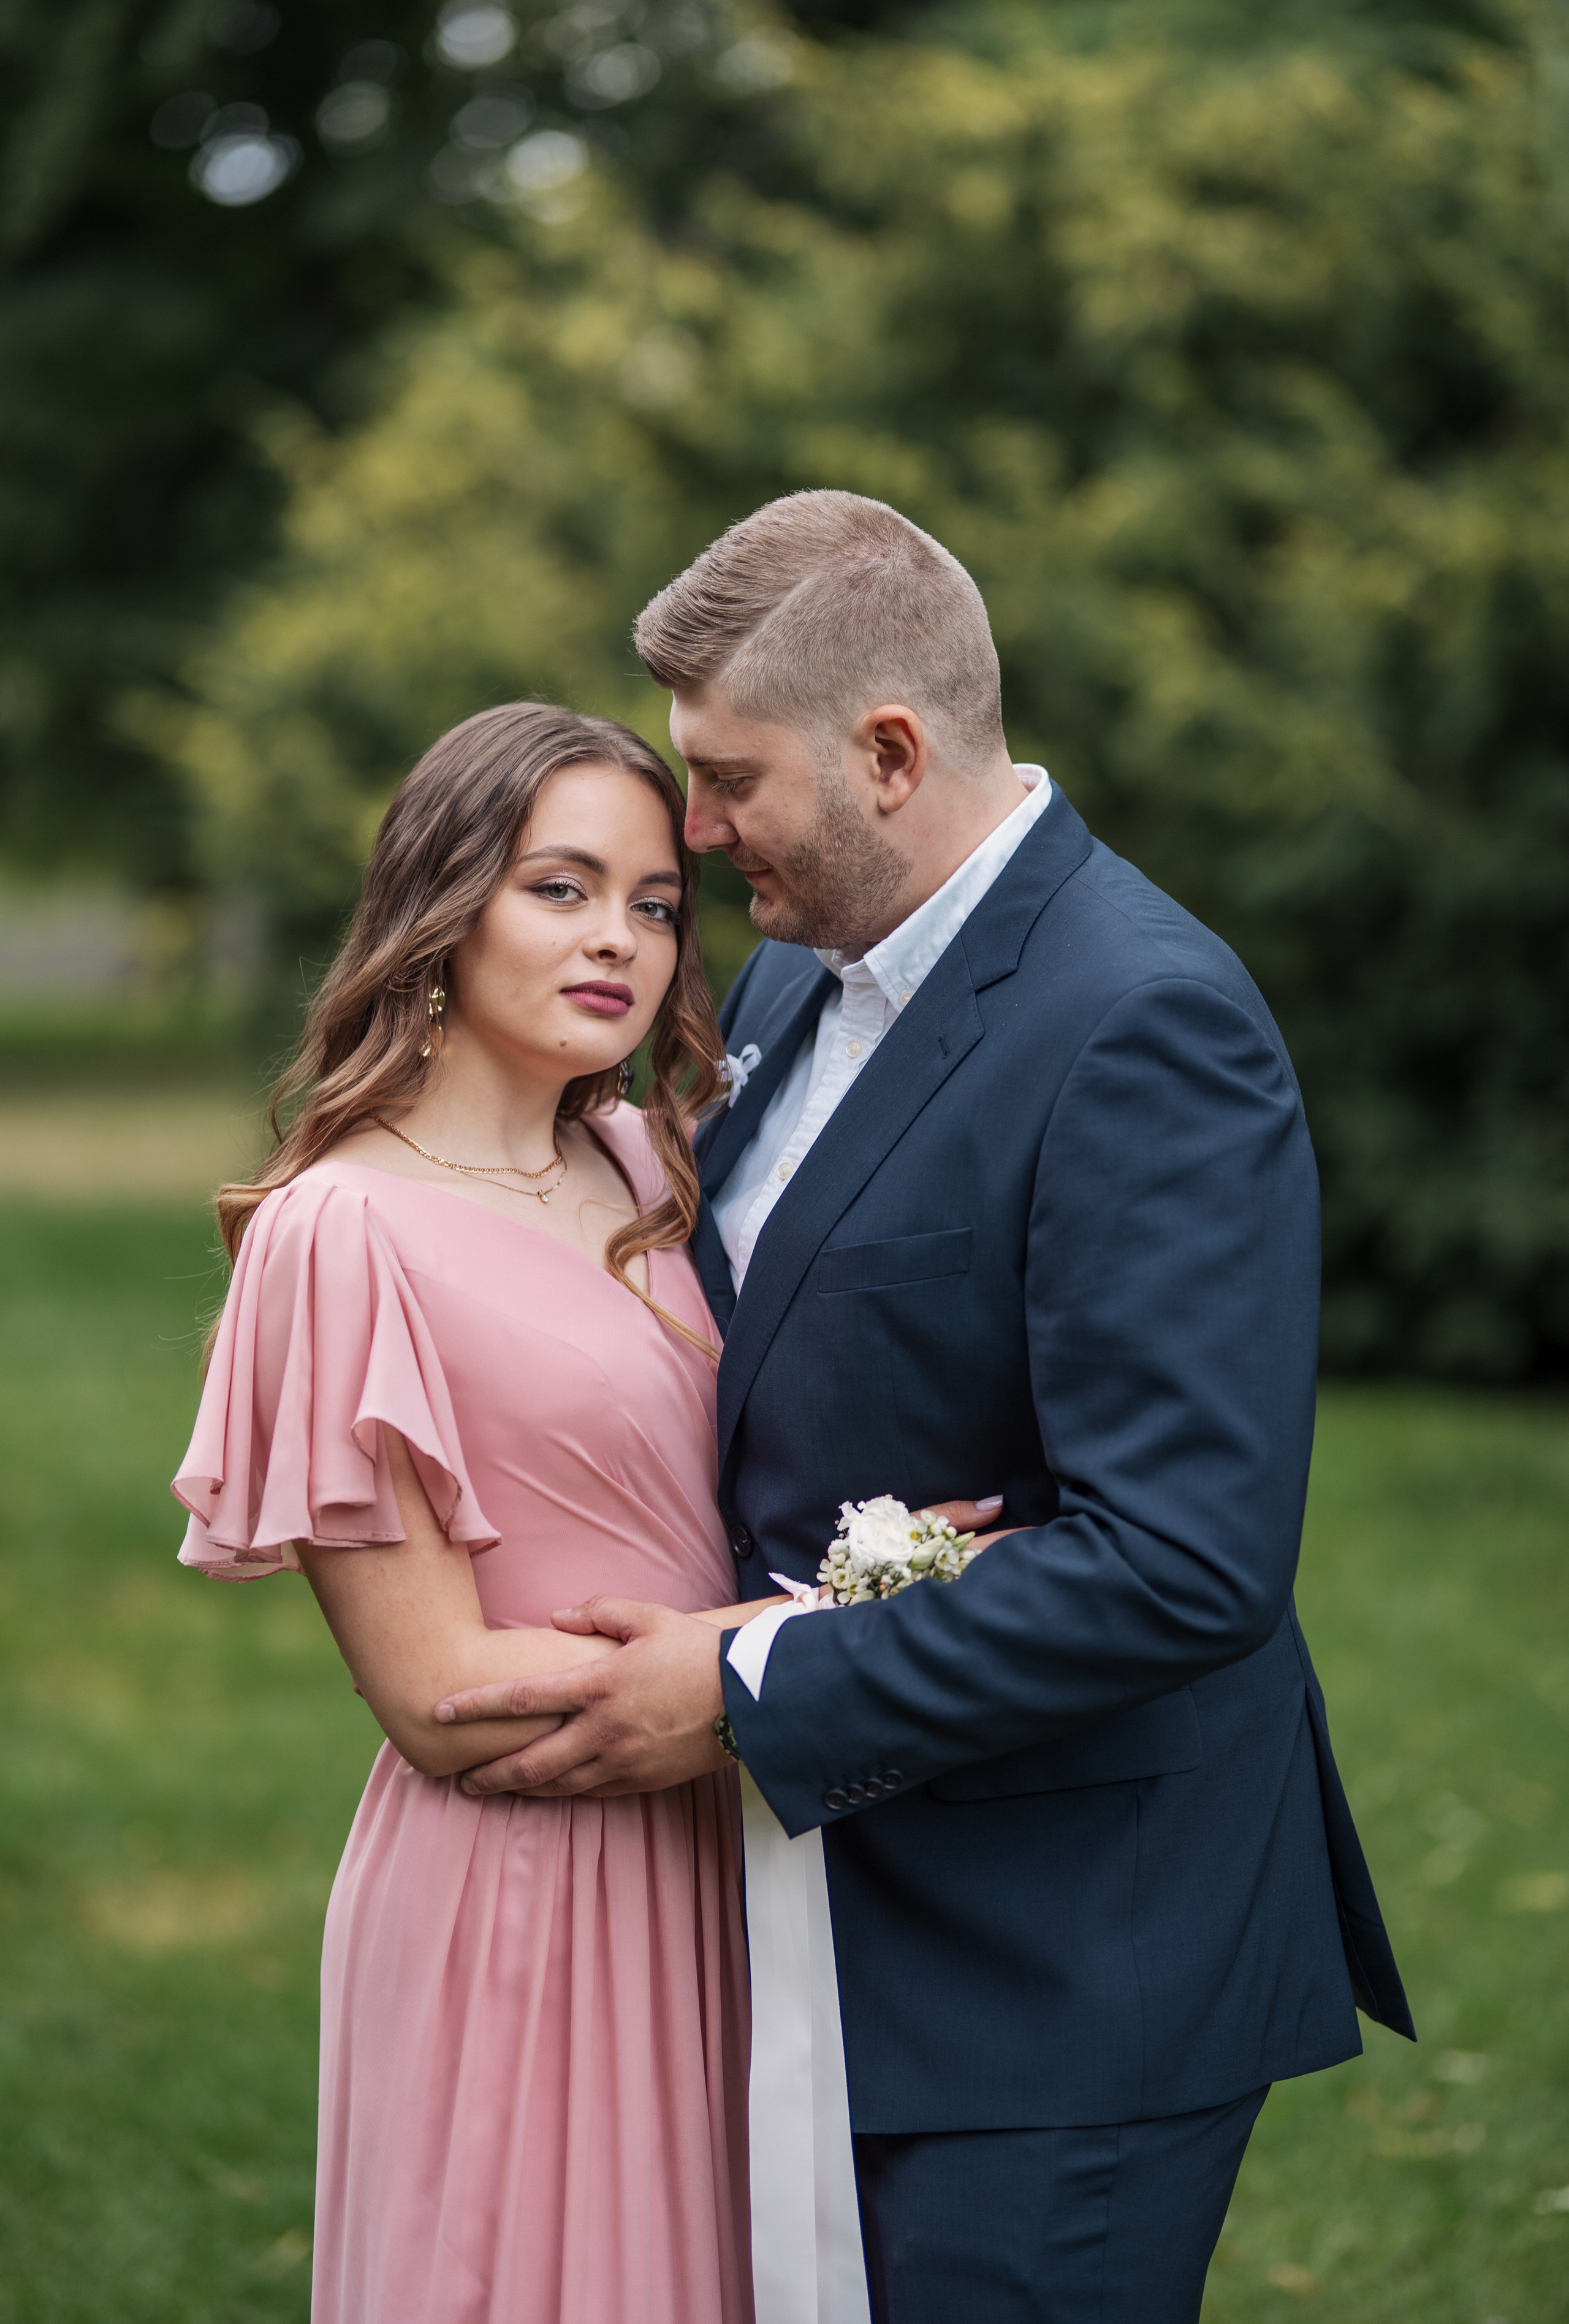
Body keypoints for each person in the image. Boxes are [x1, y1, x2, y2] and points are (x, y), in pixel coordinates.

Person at [435, 493, 1416, 2324]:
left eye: (726, 781)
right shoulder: (804, 967)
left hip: (1062, 1961)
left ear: (888, 753)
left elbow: (1185, 1565)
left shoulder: (1146, 1023)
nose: (695, 830)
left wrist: (746, 1686)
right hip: (815, 1915)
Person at [171, 703, 759, 2324]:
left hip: (732, 1843)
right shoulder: (340, 1228)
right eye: (559, 888)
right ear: (444, 908)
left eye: (654, 903)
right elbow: (441, 1704)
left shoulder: (657, 1168)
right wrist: (803, 1658)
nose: (619, 942)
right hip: (535, 1875)